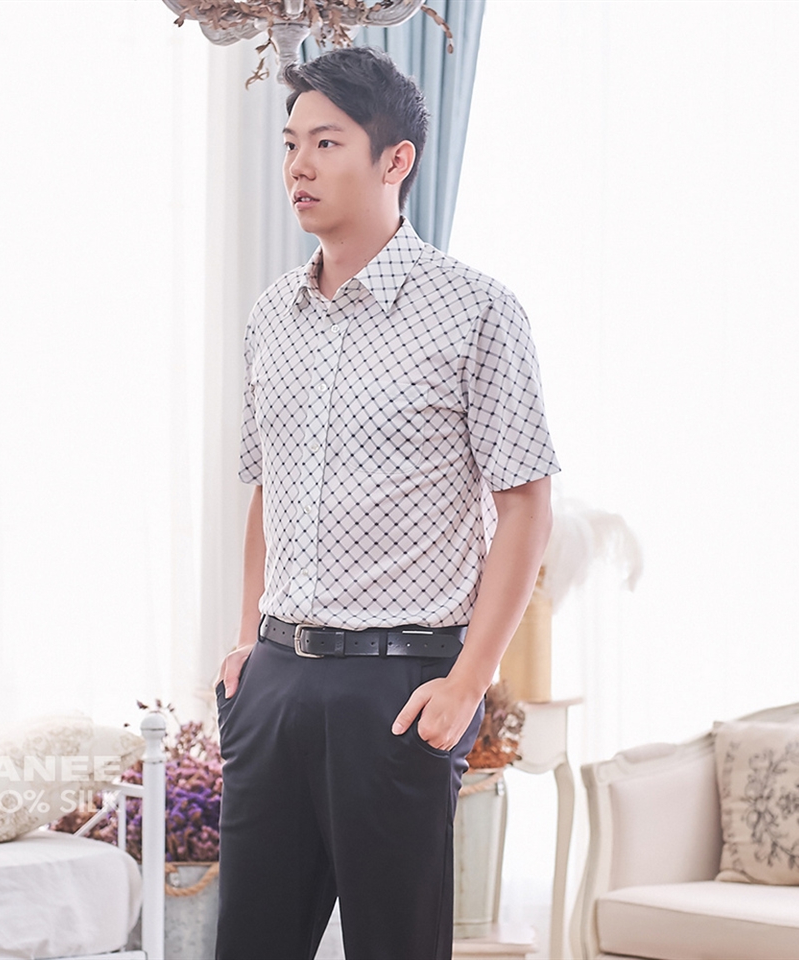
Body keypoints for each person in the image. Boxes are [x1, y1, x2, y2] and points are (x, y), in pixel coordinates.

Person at [214, 46, 559, 960]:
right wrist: (247, 645)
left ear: (394, 159)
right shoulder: (271, 316)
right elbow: (269, 486)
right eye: (291, 144)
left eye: (326, 143)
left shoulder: (477, 311)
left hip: (401, 689)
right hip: (275, 683)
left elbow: (527, 508)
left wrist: (469, 683)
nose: (299, 165)